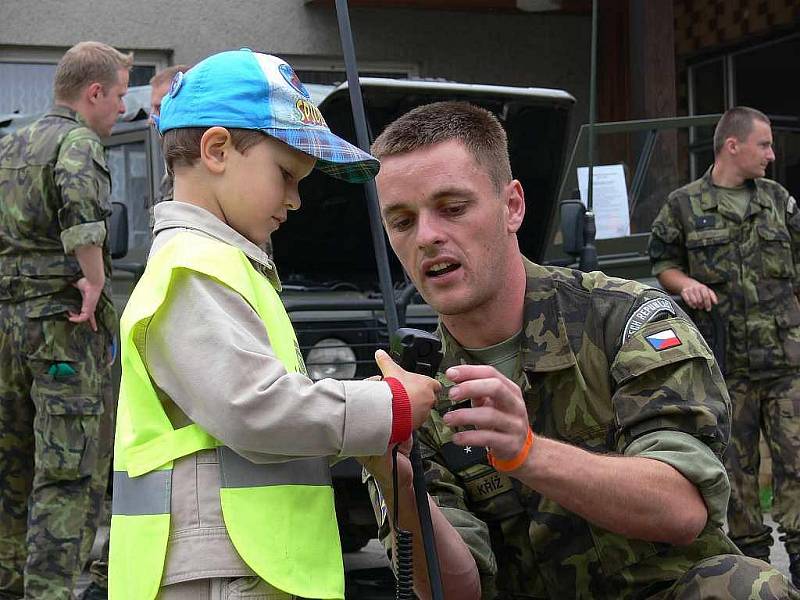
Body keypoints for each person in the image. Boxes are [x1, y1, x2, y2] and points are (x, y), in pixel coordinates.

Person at [361, 101, 796, 599]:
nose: (428, 237)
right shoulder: (420, 392)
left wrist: (526, 452)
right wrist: (397, 475)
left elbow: (682, 508)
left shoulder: (623, 321)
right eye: (401, 221)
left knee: (747, 588)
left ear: (512, 206)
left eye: (453, 208)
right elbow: (458, 589)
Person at [107, 49, 440, 600]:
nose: (296, 199)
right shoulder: (192, 268)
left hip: (247, 562)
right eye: (286, 174)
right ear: (216, 150)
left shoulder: (229, 264)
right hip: (222, 570)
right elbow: (254, 406)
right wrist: (388, 407)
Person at [0, 41, 131, 599]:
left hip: (6, 324)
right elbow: (83, 219)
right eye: (120, 95)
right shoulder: (77, 141)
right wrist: (95, 278)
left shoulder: (9, 143)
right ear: (93, 91)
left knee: (10, 466)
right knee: (69, 472)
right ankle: (48, 592)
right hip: (61, 326)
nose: (123, 109)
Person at [649, 106, 800, 584]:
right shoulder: (683, 205)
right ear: (732, 145)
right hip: (726, 366)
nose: (772, 155)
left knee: (798, 464)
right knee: (735, 475)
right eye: (764, 144)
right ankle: (756, 572)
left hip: (786, 361)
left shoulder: (778, 200)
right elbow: (663, 263)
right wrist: (685, 284)